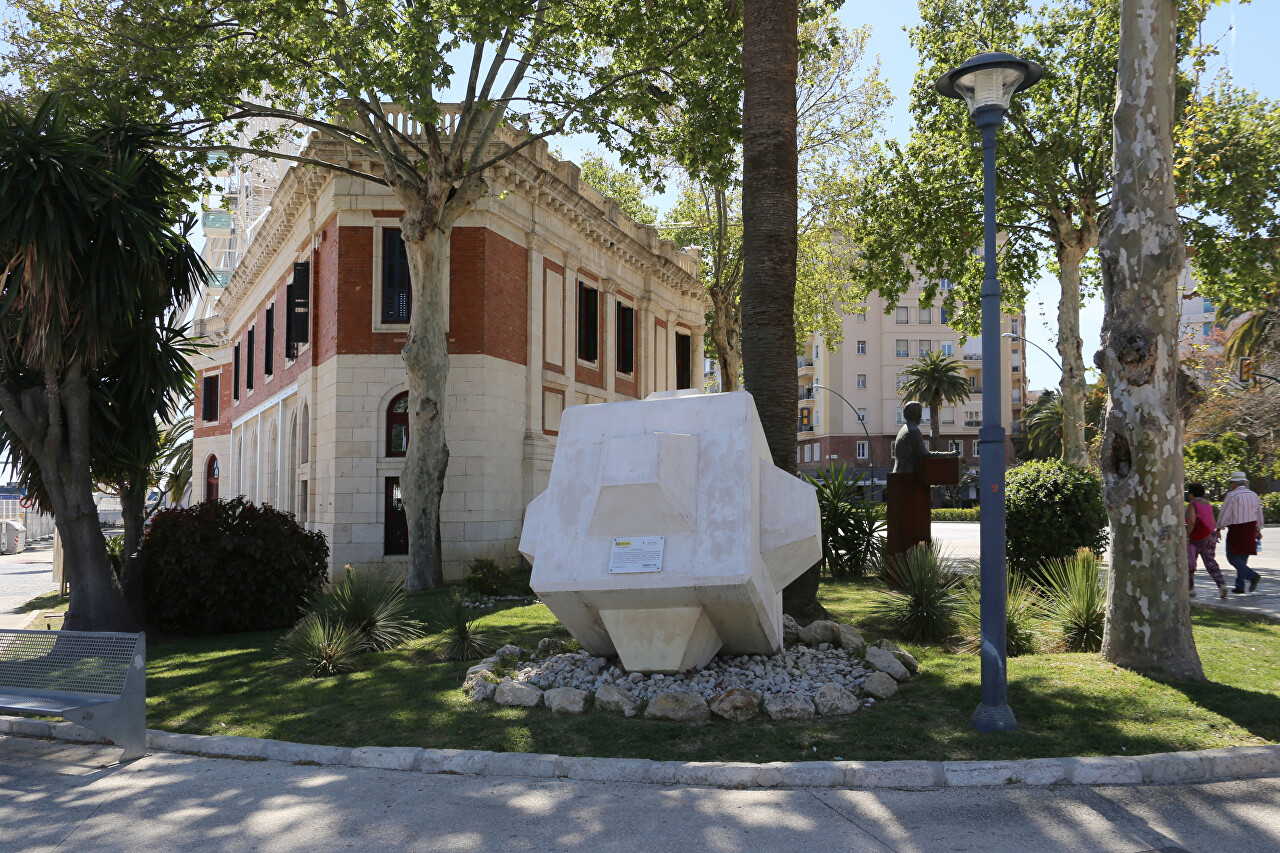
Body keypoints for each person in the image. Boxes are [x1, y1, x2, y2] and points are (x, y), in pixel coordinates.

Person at [1217, 471, 1265, 594]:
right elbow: (1258, 513)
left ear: (1233, 483)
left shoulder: (1232, 495)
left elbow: (1225, 513)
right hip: (1250, 529)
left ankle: (1252, 576)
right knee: (1243, 557)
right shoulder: (1254, 495)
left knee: (1232, 557)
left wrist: (1219, 527)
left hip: (1236, 529)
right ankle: (1240, 585)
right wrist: (1258, 528)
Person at [1185, 483, 1228, 598]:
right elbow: (1212, 522)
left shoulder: (1192, 505)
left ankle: (1190, 588)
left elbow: (1192, 522)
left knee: (1190, 563)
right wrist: (1216, 533)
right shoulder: (1208, 504)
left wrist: (1187, 536)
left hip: (1195, 538)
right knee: (1211, 563)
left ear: (1192, 493)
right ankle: (1221, 584)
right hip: (1210, 536)